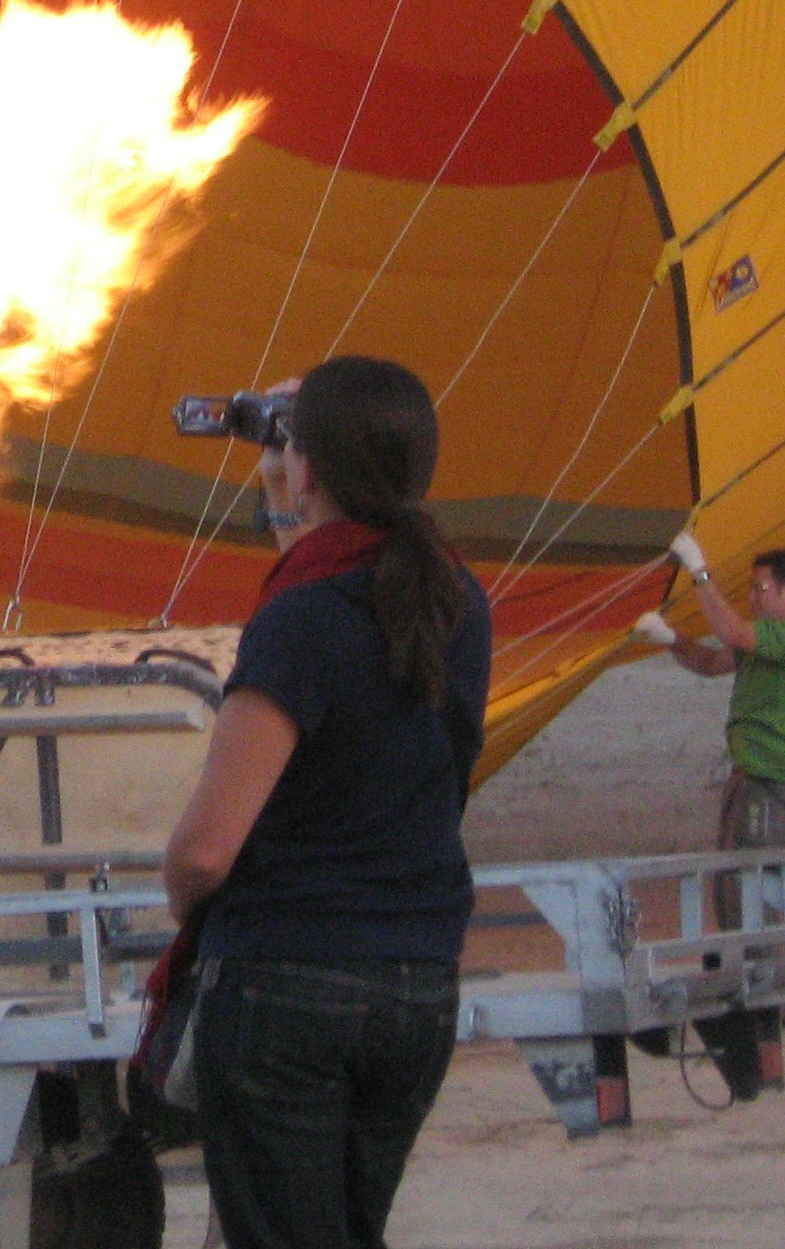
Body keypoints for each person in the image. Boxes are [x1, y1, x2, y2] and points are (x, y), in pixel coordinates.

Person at [163, 356, 493, 1249]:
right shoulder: (461, 603)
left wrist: (187, 914)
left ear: (310, 470)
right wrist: (287, 473)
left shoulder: (300, 623)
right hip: (418, 984)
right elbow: (339, 583)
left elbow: (204, 852)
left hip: (287, 983)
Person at [639, 535, 785, 858]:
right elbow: (711, 663)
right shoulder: (766, 641)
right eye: (751, 589)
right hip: (753, 780)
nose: (753, 598)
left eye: (761, 589)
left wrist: (699, 570)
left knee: (744, 881)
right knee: (732, 879)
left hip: (777, 786)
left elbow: (732, 632)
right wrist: (670, 638)